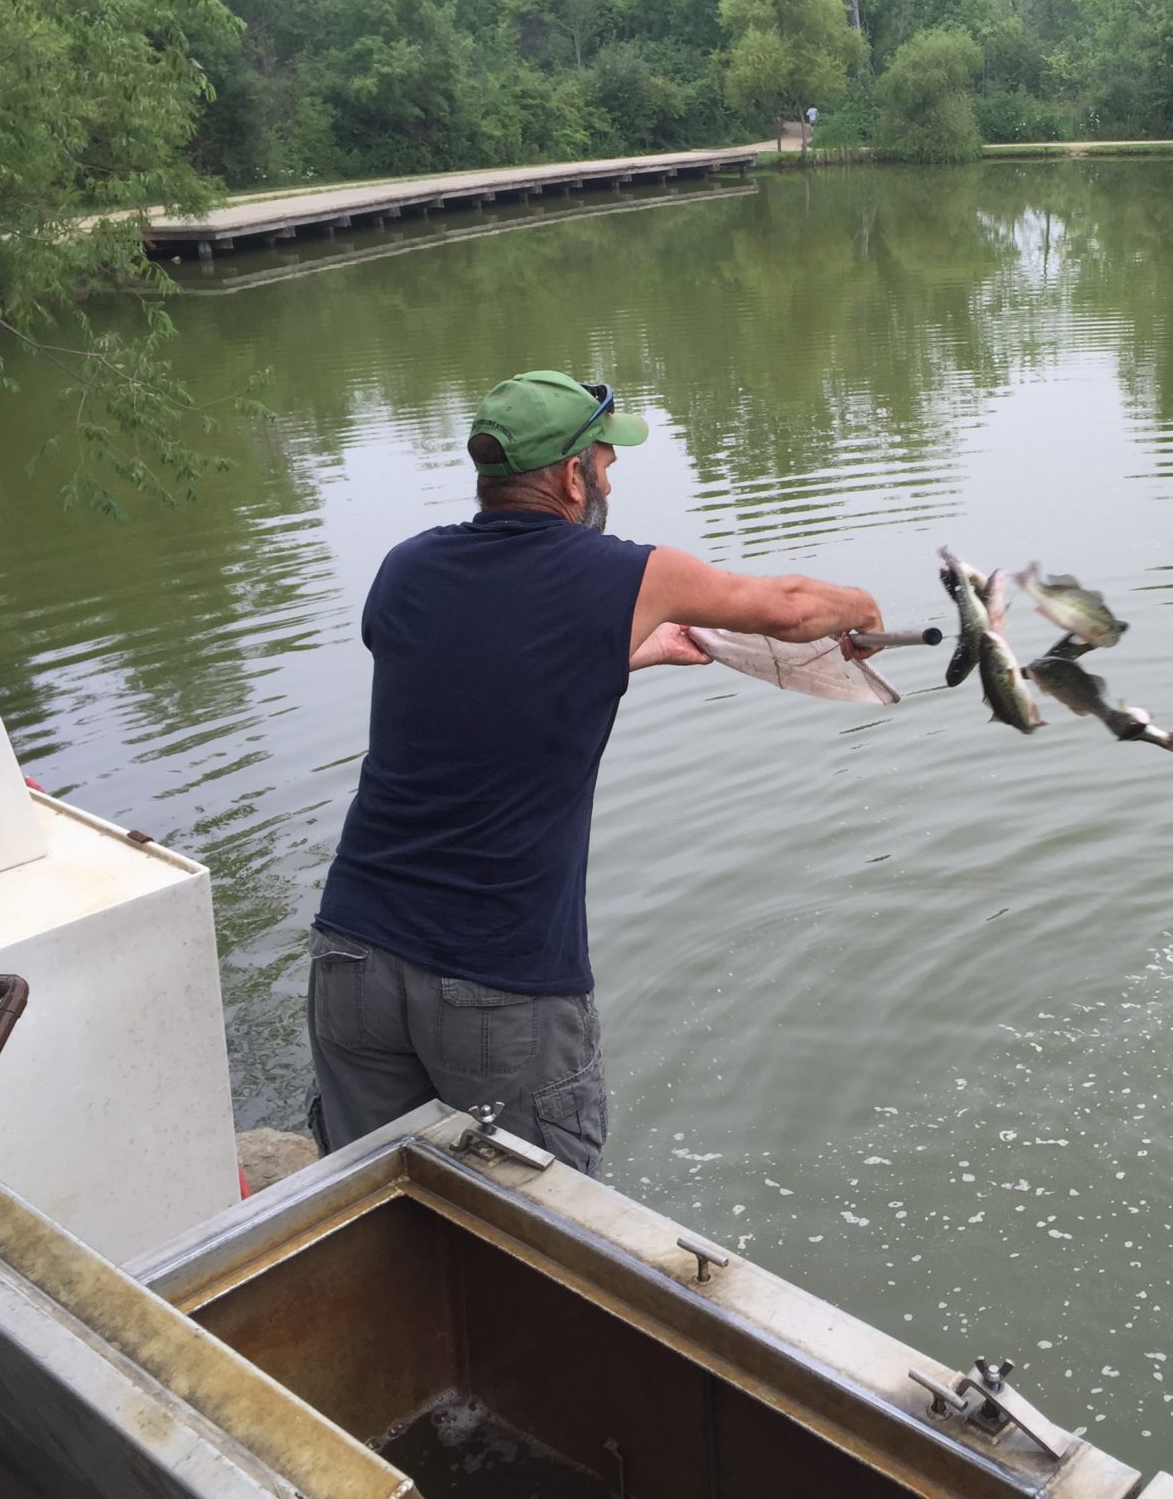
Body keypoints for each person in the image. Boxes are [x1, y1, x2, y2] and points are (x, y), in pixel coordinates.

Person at [305, 370, 882, 1173]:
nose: (609, 482)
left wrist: (623, 651)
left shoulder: (407, 567)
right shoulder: (621, 574)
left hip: (353, 955)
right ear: (572, 477)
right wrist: (860, 607)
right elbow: (787, 607)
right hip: (498, 977)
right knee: (541, 1224)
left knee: (374, 1202)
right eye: (605, 464)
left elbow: (466, 679)